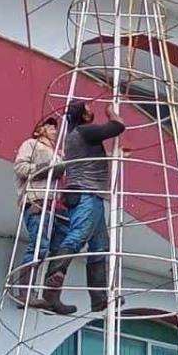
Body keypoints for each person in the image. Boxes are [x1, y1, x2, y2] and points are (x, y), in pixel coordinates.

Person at [37, 99, 125, 315]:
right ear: (83, 116)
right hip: (87, 193)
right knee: (78, 236)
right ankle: (52, 283)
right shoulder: (85, 132)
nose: (91, 111)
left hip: (82, 193)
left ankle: (99, 297)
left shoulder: (74, 136)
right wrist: (111, 112)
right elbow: (118, 127)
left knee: (100, 245)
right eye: (88, 109)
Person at [11, 116, 67, 310]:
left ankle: (49, 295)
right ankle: (25, 291)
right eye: (48, 125)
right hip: (37, 201)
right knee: (40, 246)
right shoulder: (31, 144)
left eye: (54, 126)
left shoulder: (58, 153)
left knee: (57, 248)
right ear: (38, 130)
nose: (53, 128)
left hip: (54, 204)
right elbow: (20, 167)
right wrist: (45, 168)